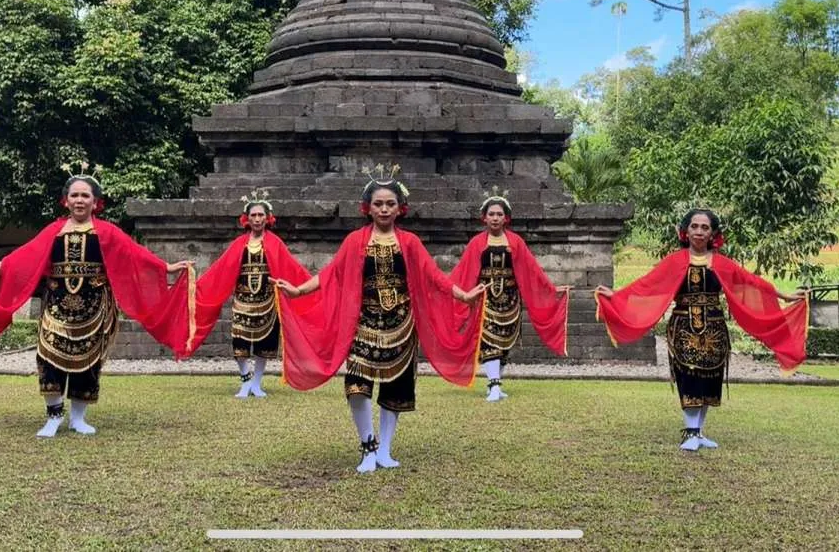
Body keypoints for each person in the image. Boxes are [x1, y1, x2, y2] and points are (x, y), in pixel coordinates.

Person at [274, 165, 486, 473]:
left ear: (400, 208)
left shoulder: (410, 242)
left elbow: (433, 276)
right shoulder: (355, 241)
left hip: (402, 325)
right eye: (378, 204)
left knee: (395, 391)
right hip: (363, 324)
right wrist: (297, 291)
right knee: (356, 388)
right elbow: (331, 274)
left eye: (390, 204)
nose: (384, 209)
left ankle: (385, 450)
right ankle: (368, 446)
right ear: (367, 208)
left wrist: (464, 297)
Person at [0, 166, 195, 438]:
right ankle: (53, 416)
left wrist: (168, 267)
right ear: (66, 200)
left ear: (96, 202)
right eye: (75, 195)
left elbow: (137, 257)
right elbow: (21, 258)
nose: (80, 200)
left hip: (95, 307)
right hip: (56, 305)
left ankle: (78, 418)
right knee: (48, 358)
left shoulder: (108, 232)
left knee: (89, 361)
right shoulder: (54, 231)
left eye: (86, 195)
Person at [596, 209, 808, 452]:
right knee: (689, 375)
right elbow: (647, 285)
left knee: (710, 377)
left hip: (715, 327)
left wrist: (787, 296)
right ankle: (690, 432)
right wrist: (617, 296)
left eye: (704, 227)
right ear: (685, 231)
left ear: (713, 234)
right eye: (694, 226)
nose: (699, 231)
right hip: (683, 326)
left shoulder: (722, 264)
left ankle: (698, 432)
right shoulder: (674, 261)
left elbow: (752, 283)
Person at [449, 189, 570, 402]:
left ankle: (495, 384)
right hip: (486, 300)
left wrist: (552, 290)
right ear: (484, 217)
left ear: (506, 218)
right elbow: (463, 270)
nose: (495, 218)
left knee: (505, 343)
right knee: (489, 341)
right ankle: (494, 385)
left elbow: (532, 271)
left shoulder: (515, 242)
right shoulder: (477, 243)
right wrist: (452, 290)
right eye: (491, 214)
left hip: (511, 300)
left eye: (499, 214)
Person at [194, 190, 313, 398]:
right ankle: (246, 379)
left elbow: (291, 268)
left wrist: (315, 285)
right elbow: (221, 269)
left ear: (268, 218)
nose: (257, 219)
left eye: (261, 215)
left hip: (267, 301)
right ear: (246, 219)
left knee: (264, 344)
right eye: (253, 215)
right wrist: (194, 286)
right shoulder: (239, 244)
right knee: (239, 342)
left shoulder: (275, 243)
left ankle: (257, 383)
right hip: (242, 301)